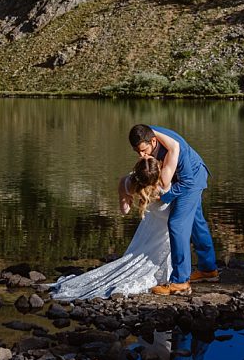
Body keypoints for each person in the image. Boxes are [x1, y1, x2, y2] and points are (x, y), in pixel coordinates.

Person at [48, 157, 173, 300]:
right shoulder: (164, 177)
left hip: (152, 222)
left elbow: (125, 211)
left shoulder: (126, 183)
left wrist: (129, 196)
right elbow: (174, 149)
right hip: (169, 220)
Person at [131, 123, 219, 296]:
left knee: (177, 224)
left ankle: (180, 282)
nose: (142, 155)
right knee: (196, 223)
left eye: (144, 150)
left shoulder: (174, 147)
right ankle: (209, 270)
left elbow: (187, 183)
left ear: (153, 141)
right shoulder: (146, 135)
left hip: (192, 179)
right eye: (137, 151)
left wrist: (164, 197)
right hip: (183, 180)